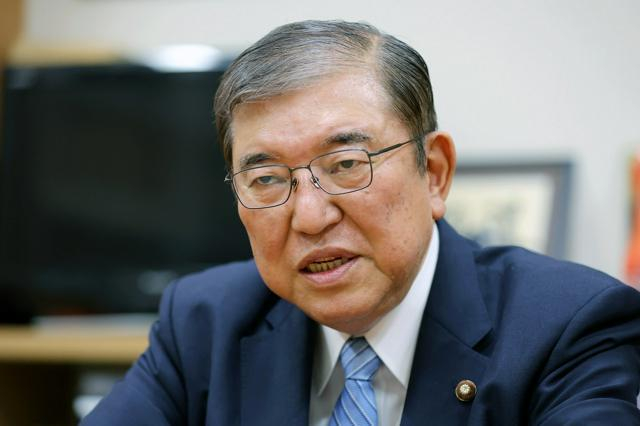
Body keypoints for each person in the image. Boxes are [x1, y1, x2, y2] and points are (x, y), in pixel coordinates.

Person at [82, 20, 640, 425]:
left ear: (434, 173)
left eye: (347, 165)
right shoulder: (205, 322)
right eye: (267, 178)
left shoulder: (567, 326)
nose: (309, 216)